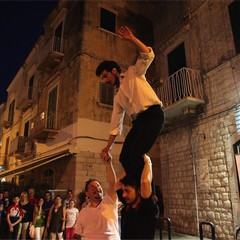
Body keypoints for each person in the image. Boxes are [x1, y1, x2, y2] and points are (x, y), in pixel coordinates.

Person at [96, 26, 164, 184]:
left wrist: (131, 38)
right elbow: (115, 125)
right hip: (139, 122)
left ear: (114, 71)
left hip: (153, 115)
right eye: (103, 79)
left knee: (136, 153)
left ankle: (149, 193)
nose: (105, 81)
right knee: (124, 157)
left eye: (105, 76)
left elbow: (148, 55)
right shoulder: (117, 97)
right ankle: (135, 188)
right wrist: (107, 148)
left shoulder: (133, 72)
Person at [73, 154, 120, 240]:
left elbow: (113, 183)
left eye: (98, 186)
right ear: (87, 193)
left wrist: (108, 164)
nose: (97, 188)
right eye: (92, 187)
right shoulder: (83, 212)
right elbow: (77, 233)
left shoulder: (109, 202)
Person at [116, 154, 159, 239]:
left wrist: (147, 161)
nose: (123, 195)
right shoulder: (128, 206)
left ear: (139, 190)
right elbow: (117, 185)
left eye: (127, 191)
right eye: (123, 191)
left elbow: (145, 182)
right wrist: (130, 168)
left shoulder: (147, 208)